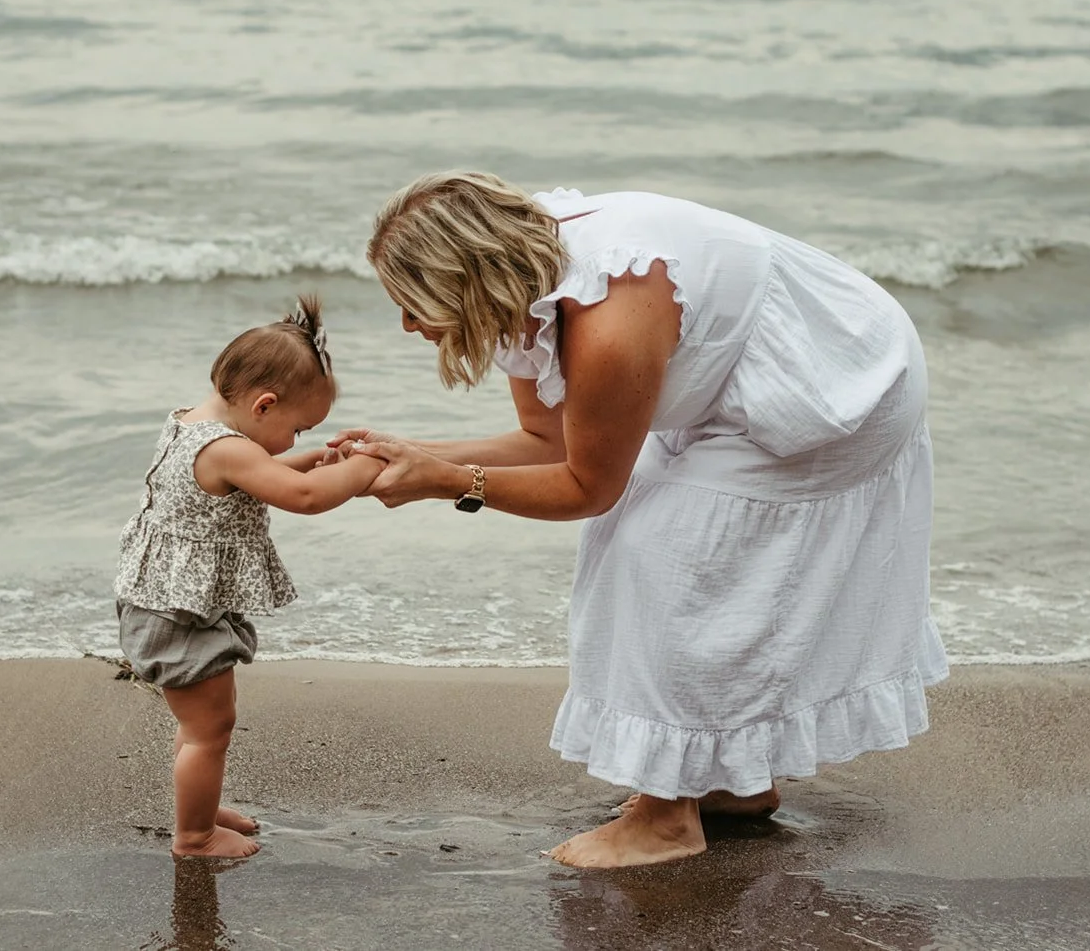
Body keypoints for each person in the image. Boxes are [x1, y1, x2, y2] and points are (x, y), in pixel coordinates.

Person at [332, 173, 949, 868]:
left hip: (839, 382)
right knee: (649, 534)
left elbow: (587, 486)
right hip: (751, 381)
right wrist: (412, 451)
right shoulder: (529, 290)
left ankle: (664, 816)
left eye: (412, 304)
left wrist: (444, 482)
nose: (409, 325)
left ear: (467, 278)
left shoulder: (607, 312)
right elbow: (548, 442)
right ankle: (731, 784)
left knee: (652, 551)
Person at [115, 296, 384, 859]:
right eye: (298, 429)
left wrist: (306, 457)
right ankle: (193, 836)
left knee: (202, 726)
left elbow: (254, 478)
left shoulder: (195, 425)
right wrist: (366, 469)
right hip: (178, 617)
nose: (294, 441)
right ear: (263, 406)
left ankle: (202, 804)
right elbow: (304, 500)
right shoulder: (229, 449)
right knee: (210, 729)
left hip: (169, 603)